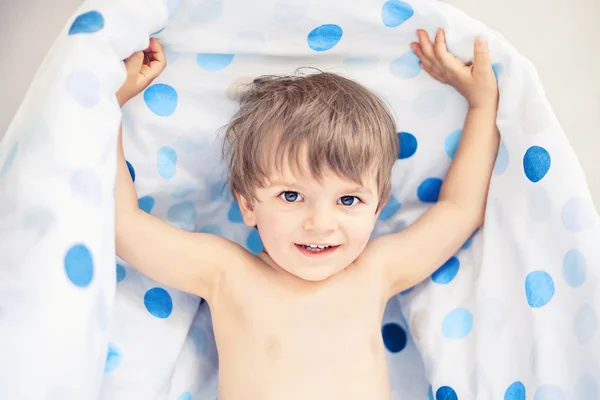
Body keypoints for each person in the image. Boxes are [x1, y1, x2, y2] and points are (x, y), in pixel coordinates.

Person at [115, 29, 499, 399]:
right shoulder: (227, 273)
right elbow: (125, 226)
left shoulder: (375, 271)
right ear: (248, 204)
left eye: (348, 201)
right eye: (292, 195)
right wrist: (110, 107)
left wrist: (482, 105)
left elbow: (460, 210)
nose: (320, 223)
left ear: (378, 206)